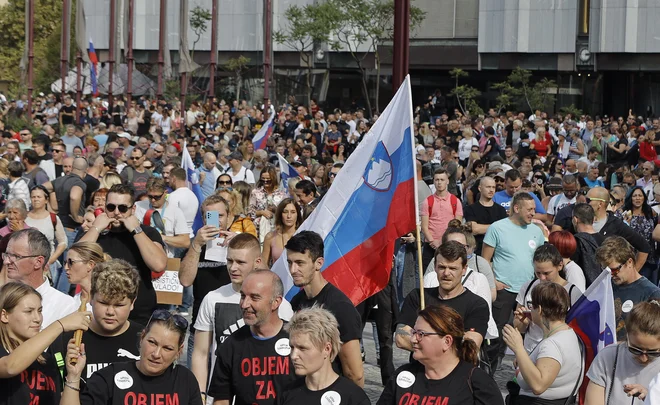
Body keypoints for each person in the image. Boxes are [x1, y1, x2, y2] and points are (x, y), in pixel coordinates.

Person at [192, 234, 293, 401]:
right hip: (219, 395)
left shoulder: (283, 306)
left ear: (257, 262)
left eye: (240, 262)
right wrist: (200, 395)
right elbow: (201, 353)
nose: (233, 268)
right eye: (230, 261)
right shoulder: (212, 298)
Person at [62, 309, 202, 405]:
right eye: (152, 343)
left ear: (179, 351)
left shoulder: (185, 380)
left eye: (167, 348)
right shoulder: (109, 377)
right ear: (142, 338)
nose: (156, 354)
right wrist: (74, 377)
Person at [379, 305, 503, 405]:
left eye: (421, 334)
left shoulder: (477, 382)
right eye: (413, 332)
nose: (413, 340)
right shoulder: (403, 375)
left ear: (447, 341)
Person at [79, 184, 167, 325]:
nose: (117, 213)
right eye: (111, 207)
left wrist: (136, 230)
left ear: (133, 209)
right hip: (101, 313)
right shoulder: (96, 234)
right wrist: (96, 227)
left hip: (139, 314)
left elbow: (159, 265)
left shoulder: (147, 233)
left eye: (123, 208)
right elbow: (75, 260)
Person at [207, 270, 298, 405]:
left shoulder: (298, 340)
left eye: (254, 298)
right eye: (243, 296)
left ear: (276, 302)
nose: (244, 304)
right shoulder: (231, 345)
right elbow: (221, 400)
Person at [287, 231, 364, 387]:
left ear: (319, 263)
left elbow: (354, 374)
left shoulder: (340, 308)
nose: (293, 269)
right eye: (290, 262)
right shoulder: (296, 302)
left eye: (300, 263)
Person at [481, 192, 545, 372]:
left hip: (528, 291)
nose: (534, 213)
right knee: (498, 333)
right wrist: (494, 282)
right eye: (530, 209)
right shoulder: (497, 228)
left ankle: (523, 371)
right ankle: (488, 370)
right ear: (516, 208)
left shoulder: (535, 230)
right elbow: (485, 260)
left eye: (534, 209)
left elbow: (541, 258)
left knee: (525, 331)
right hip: (504, 289)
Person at [0, 282, 90, 405]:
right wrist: (60, 324)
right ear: (4, 315)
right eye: (28, 311)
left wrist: (73, 376)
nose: (37, 318)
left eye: (40, 310)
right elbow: (10, 367)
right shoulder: (3, 353)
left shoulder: (47, 360)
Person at [398, 240, 490, 351]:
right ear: (435, 267)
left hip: (457, 369)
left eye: (453, 268)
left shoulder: (477, 305)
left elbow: (470, 347)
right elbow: (401, 338)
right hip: (419, 367)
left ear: (464, 269)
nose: (446, 273)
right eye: (442, 267)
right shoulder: (418, 296)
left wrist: (423, 344)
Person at [503, 282, 583, 404]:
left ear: (539, 309)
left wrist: (518, 348)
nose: (530, 309)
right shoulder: (569, 334)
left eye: (532, 306)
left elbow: (538, 385)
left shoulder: (552, 345)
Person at [64, 259, 143, 379]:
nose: (110, 312)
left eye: (118, 305)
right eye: (103, 303)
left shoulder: (146, 341)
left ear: (132, 303)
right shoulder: (70, 340)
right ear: (91, 297)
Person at [278, 307, 370, 405]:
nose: (293, 356)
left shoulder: (353, 398)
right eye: (292, 347)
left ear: (327, 349)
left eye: (302, 348)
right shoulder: (287, 393)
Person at [584, 300, 660, 405]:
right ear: (627, 335)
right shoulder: (608, 356)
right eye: (635, 349)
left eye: (653, 353)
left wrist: (652, 398)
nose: (644, 358)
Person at [513, 244, 583, 354]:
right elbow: (518, 326)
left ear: (560, 266)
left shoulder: (572, 292)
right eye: (538, 273)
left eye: (546, 273)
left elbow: (579, 330)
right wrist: (523, 322)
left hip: (558, 351)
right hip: (530, 350)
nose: (542, 278)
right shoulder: (527, 287)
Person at [4, 228, 77, 328]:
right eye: (7, 255)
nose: (6, 262)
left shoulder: (66, 306)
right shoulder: (3, 296)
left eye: (15, 256)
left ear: (38, 262)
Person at [596, 236, 660, 341]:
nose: (611, 275)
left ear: (629, 262)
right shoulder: (606, 287)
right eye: (606, 270)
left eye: (614, 270)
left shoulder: (651, 293)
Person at [587, 187, 651, 271]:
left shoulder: (616, 224)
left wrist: (633, 273)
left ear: (600, 203)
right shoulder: (581, 220)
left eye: (589, 200)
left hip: (609, 279)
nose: (585, 203)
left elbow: (644, 247)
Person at [134, 177, 191, 258]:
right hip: (142, 258)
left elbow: (185, 242)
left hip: (165, 259)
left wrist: (159, 237)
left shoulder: (175, 211)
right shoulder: (137, 206)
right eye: (150, 196)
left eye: (157, 197)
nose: (153, 200)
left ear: (165, 193)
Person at [421, 168, 463, 272]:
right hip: (430, 246)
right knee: (428, 274)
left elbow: (457, 226)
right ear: (434, 181)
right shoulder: (428, 201)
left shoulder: (455, 201)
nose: (439, 183)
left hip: (450, 244)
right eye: (437, 180)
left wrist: (447, 241)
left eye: (442, 180)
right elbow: (424, 226)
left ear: (447, 181)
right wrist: (432, 241)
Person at [26, 185, 68, 288]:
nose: (35, 199)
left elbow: (63, 242)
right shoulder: (25, 217)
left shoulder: (53, 218)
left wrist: (51, 260)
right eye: (33, 197)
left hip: (48, 265)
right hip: (28, 263)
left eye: (39, 197)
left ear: (46, 200)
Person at [45, 157, 88, 254]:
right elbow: (74, 197)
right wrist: (75, 216)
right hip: (71, 229)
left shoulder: (59, 180)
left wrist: (48, 204)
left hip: (58, 227)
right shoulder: (79, 183)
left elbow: (42, 188)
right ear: (86, 171)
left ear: (72, 168)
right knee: (68, 264)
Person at [622, 186, 659, 285]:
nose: (637, 198)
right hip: (630, 257)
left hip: (649, 258)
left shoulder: (651, 213)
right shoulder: (624, 213)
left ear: (644, 198)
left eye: (640, 195)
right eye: (634, 196)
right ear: (630, 198)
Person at [463, 176, 507, 255]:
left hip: (497, 252)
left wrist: (482, 228)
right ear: (480, 188)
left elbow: (504, 230)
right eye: (488, 187)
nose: (491, 190)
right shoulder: (470, 209)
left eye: (493, 187)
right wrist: (497, 227)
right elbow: (475, 229)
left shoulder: (501, 210)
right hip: (477, 251)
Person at [64, 241, 109, 311]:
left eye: (70, 262)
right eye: (65, 262)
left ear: (90, 265)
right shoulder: (73, 300)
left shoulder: (107, 302)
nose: (66, 267)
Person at [249, 165, 288, 241]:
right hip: (258, 230)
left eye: (268, 179)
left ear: (273, 179)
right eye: (263, 179)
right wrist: (261, 212)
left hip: (276, 229)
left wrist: (276, 210)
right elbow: (249, 212)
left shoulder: (282, 194)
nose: (265, 182)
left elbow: (286, 212)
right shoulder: (255, 192)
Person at [262, 198, 301, 266]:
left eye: (293, 212)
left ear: (297, 214)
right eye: (285, 212)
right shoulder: (270, 237)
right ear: (280, 214)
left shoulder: (303, 237)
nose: (289, 216)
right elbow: (263, 265)